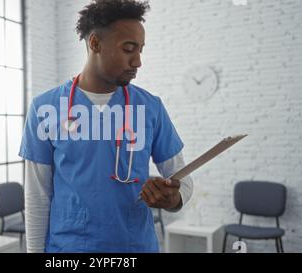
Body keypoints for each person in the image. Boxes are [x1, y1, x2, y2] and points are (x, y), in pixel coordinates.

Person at [19, 0, 193, 253]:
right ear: (95, 43)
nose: (138, 62)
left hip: (134, 248)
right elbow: (37, 196)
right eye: (129, 49)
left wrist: (173, 198)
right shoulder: (44, 108)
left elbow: (183, 179)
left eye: (140, 50)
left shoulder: (150, 107)